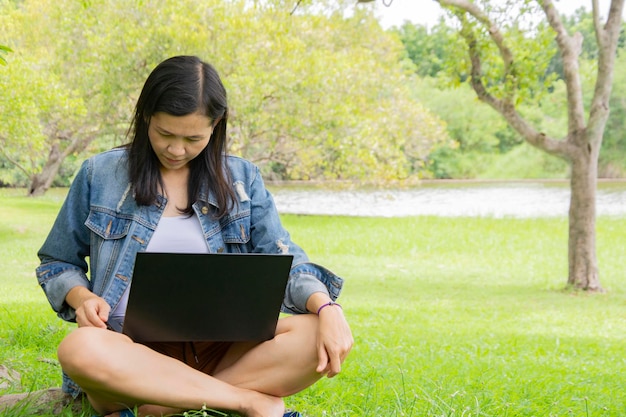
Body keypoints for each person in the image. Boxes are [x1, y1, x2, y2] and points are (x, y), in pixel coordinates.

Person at [36, 55, 353, 417]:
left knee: (315, 333)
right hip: (128, 349)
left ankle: (161, 407)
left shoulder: (242, 179)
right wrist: (82, 298)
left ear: (216, 126)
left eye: (193, 138)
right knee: (79, 348)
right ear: (145, 117)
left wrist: (327, 308)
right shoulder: (100, 173)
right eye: (165, 134)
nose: (176, 149)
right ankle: (245, 401)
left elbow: (285, 258)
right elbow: (57, 262)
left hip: (223, 348)